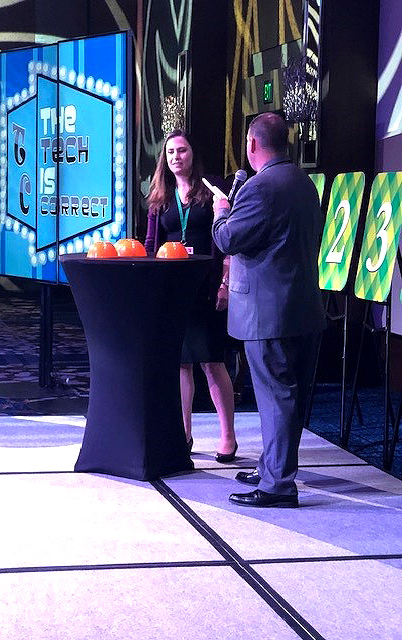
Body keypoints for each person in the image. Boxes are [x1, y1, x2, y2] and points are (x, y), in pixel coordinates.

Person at [212, 112, 326, 507]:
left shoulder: (260, 188)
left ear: (252, 145)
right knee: (288, 397)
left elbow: (228, 238)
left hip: (268, 314)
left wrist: (221, 209)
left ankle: (278, 485)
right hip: (304, 309)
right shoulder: (305, 184)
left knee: (276, 398)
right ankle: (272, 467)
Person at [145, 129, 236, 461]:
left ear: (193, 154)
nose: (175, 157)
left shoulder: (212, 189)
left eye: (181, 151)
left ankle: (228, 436)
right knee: (181, 364)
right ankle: (183, 434)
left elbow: (225, 241)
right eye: (170, 153)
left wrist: (225, 283)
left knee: (212, 362)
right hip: (172, 288)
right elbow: (152, 244)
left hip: (206, 286)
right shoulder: (160, 195)